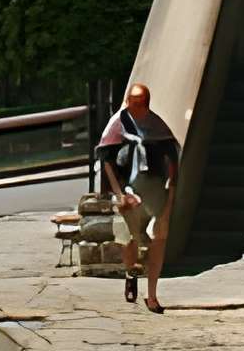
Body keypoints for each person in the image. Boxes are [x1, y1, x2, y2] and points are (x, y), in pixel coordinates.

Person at [95, 81, 181, 313]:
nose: (136, 107)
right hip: (128, 190)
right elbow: (106, 160)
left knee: (159, 238)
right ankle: (130, 272)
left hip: (154, 189)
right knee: (131, 239)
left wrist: (170, 197)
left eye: (140, 103)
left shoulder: (157, 126)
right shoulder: (117, 125)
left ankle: (151, 295)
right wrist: (119, 193)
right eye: (133, 102)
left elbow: (172, 162)